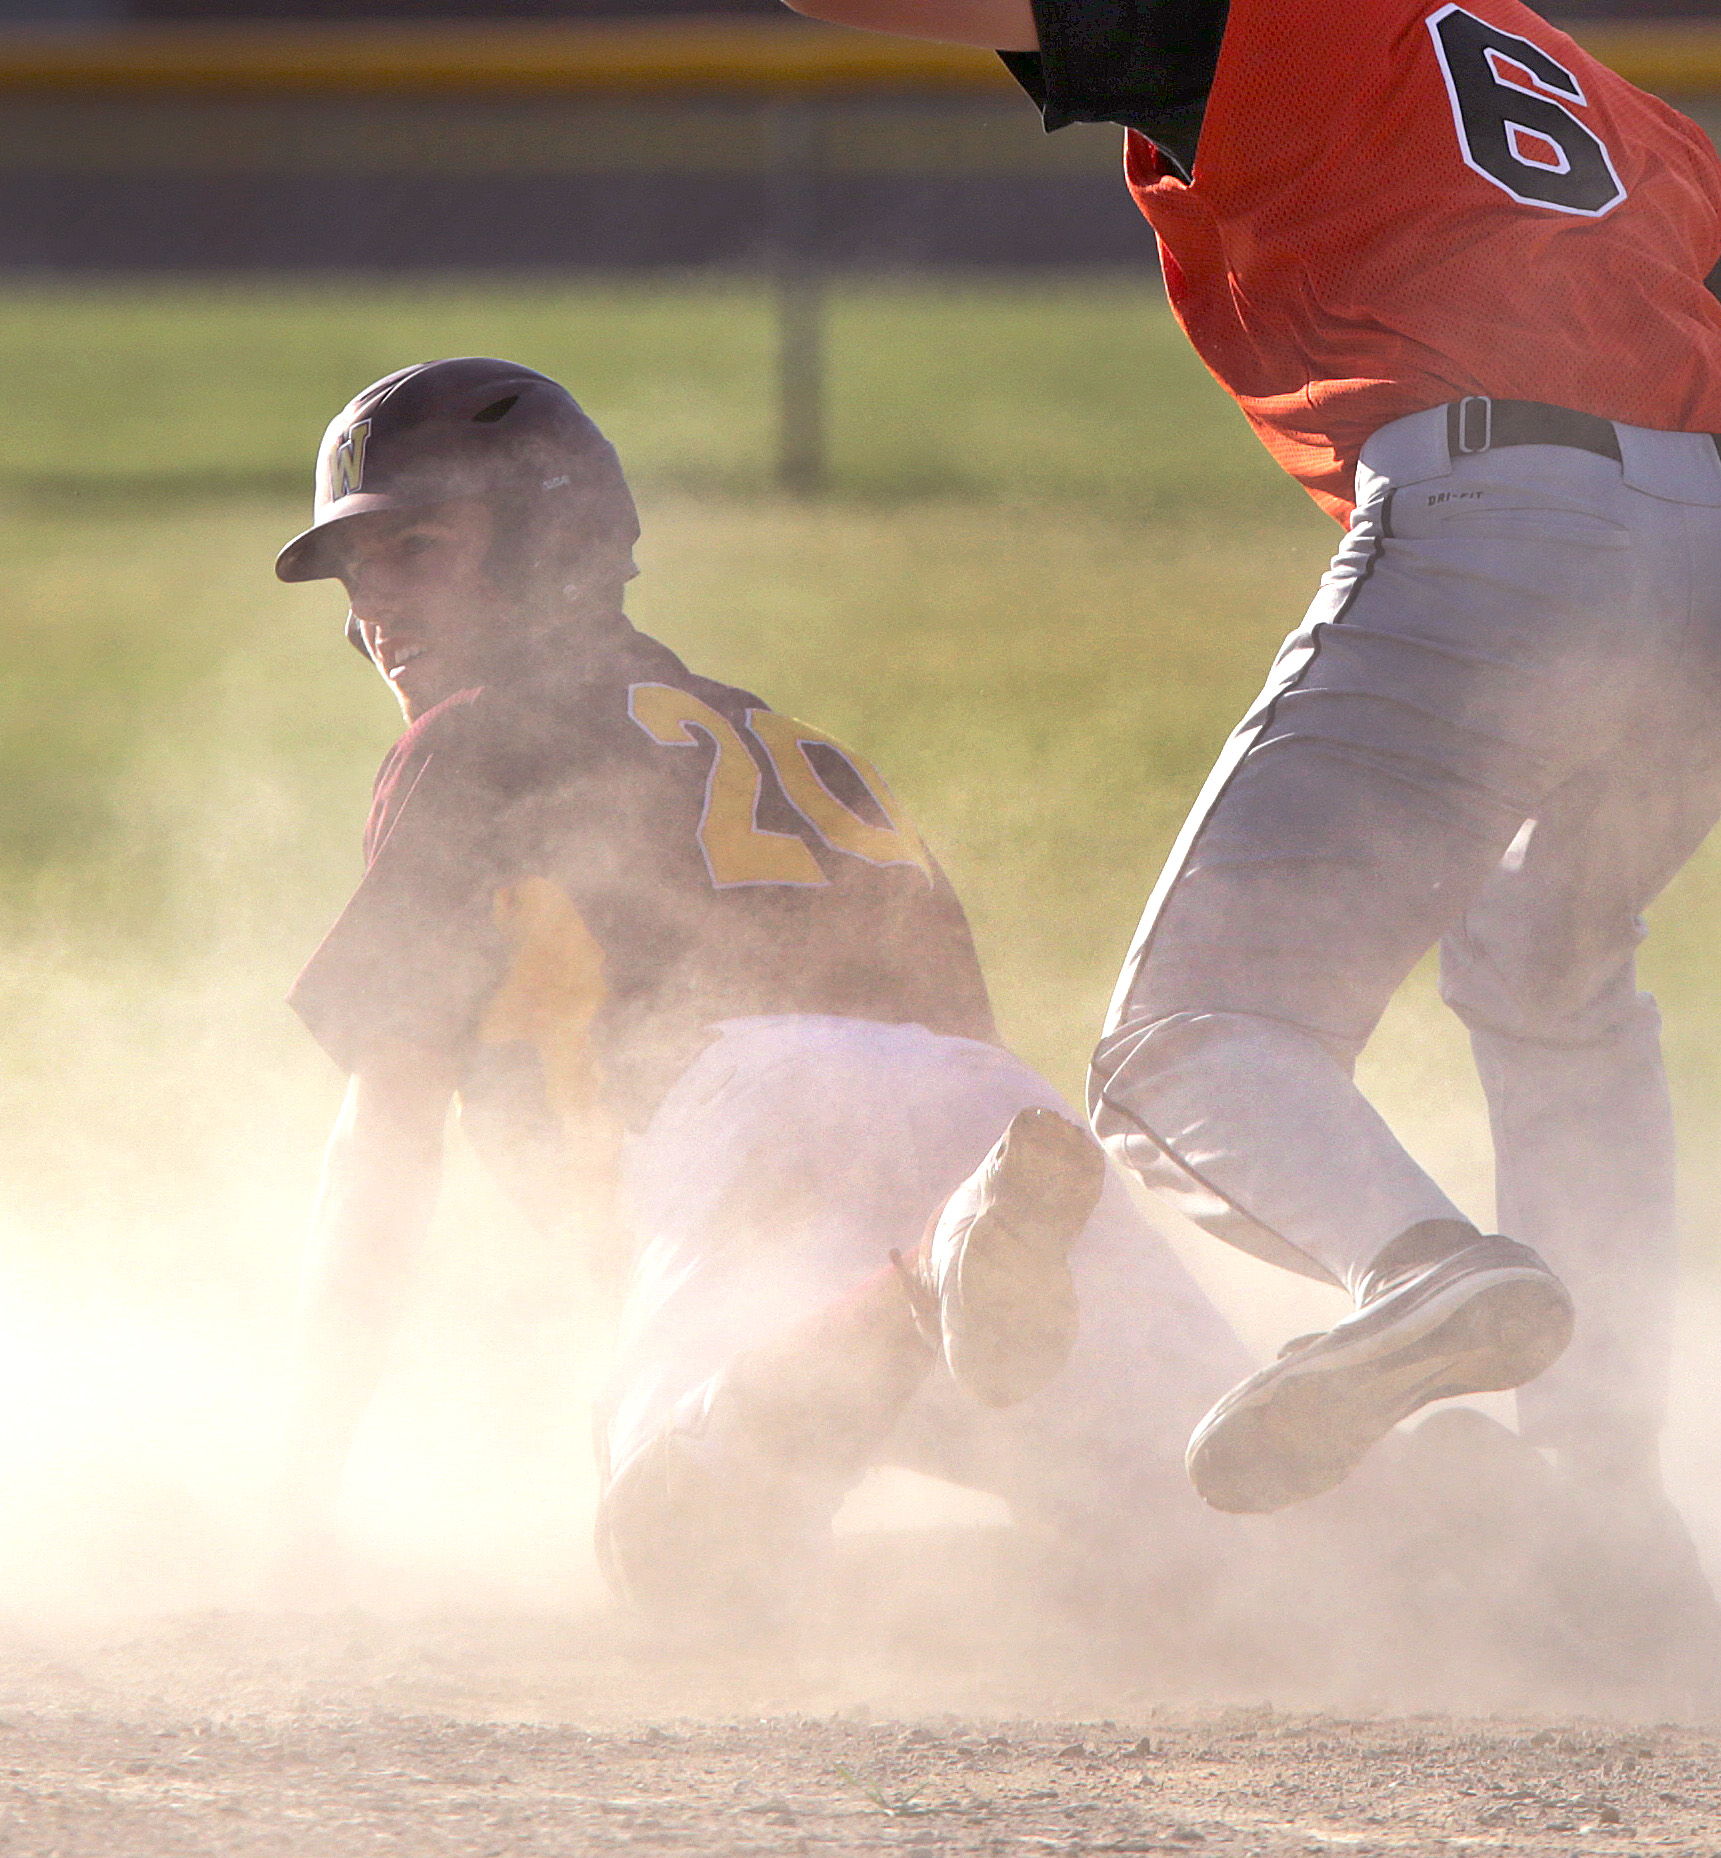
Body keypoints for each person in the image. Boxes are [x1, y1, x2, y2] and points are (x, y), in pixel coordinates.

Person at [544, 0, 1721, 1657]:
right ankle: (1604, 1504)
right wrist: (1636, 554)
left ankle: (1423, 1269)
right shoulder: (1602, 98)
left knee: (1190, 1050)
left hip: (1490, 513)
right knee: (1551, 981)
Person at [270, 356, 1272, 1637]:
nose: (374, 613)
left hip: (745, 1124)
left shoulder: (470, 737)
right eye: (357, 580)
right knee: (1215, 1542)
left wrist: (300, 1491)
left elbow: (387, 1136)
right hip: (991, 1122)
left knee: (680, 1557)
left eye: (413, 550)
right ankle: (1477, 1513)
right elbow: (936, 1048)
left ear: (545, 537)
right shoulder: (803, 749)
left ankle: (914, 1293)